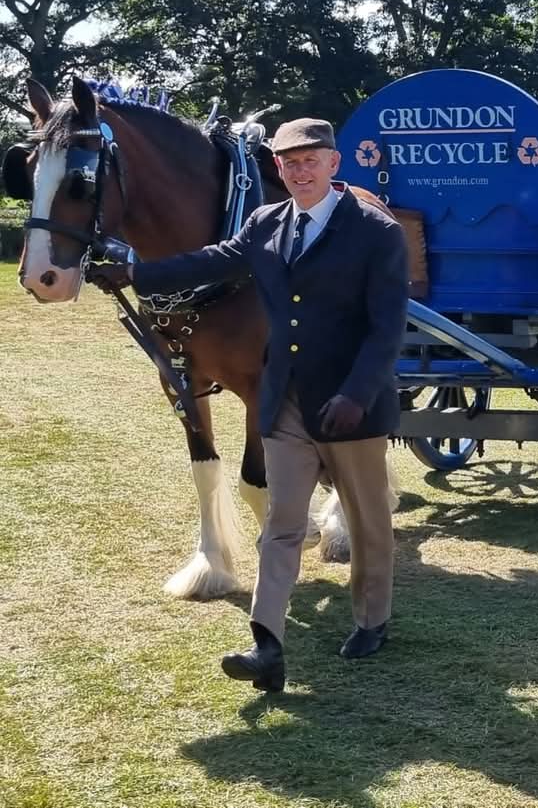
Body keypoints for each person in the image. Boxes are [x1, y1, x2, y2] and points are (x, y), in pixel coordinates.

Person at [87, 118, 409, 691]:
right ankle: (268, 644)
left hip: (348, 403)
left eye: (311, 160)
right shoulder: (265, 222)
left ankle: (372, 619)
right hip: (284, 398)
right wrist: (135, 272)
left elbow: (387, 328)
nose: (300, 171)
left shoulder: (374, 229)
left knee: (367, 521)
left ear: (334, 164)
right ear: (276, 169)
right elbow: (209, 261)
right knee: (282, 525)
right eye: (289, 162)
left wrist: (358, 394)